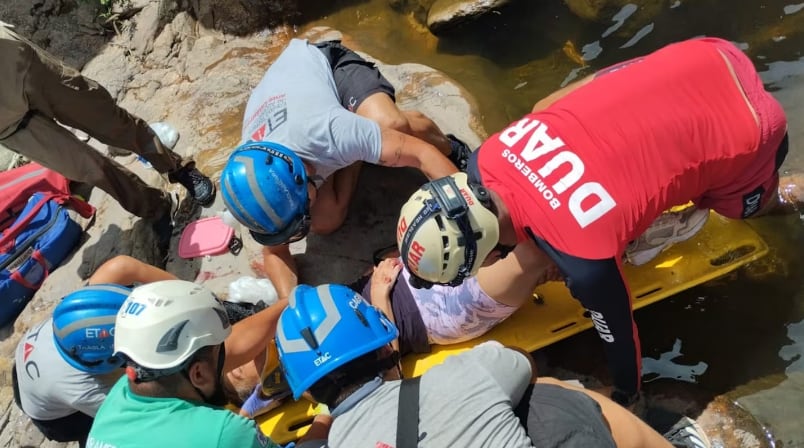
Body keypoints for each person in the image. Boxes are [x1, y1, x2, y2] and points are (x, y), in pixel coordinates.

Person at [395, 37, 804, 406]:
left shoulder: (585, 257)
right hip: (705, 55)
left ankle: (785, 191)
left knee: (750, 207)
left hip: (754, 127)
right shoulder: (490, 155)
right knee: (544, 110)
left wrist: (626, 392)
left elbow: (621, 336)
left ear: (482, 258)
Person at [274, 283, 689, 448]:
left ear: (308, 393)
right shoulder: (466, 375)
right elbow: (521, 364)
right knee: (553, 397)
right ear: (387, 348)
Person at [219, 38, 471, 300]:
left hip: (327, 64)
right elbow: (274, 252)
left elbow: (421, 154)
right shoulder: (261, 181)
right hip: (293, 96)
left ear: (301, 176)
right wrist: (291, 304)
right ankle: (361, 149)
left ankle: (451, 146)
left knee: (392, 125)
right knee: (326, 220)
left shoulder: (325, 131)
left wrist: (467, 212)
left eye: (302, 206)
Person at [0, 22, 215, 225]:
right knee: (87, 168)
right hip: (8, 124)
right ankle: (157, 208)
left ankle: (177, 169)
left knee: (112, 123)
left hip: (17, 66)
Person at [86, 280, 302, 447]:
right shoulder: (223, 432)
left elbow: (238, 346)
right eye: (221, 354)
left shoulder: (121, 395)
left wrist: (292, 300)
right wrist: (325, 419)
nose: (229, 362)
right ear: (198, 374)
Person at [11, 256, 177, 447]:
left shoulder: (84, 308)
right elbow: (143, 419)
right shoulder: (82, 388)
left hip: (29, 369)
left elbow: (124, 265)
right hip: (54, 420)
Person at [352, 240, 560, 355]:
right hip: (432, 311)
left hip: (415, 265)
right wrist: (379, 295)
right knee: (533, 255)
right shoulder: (327, 374)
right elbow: (390, 376)